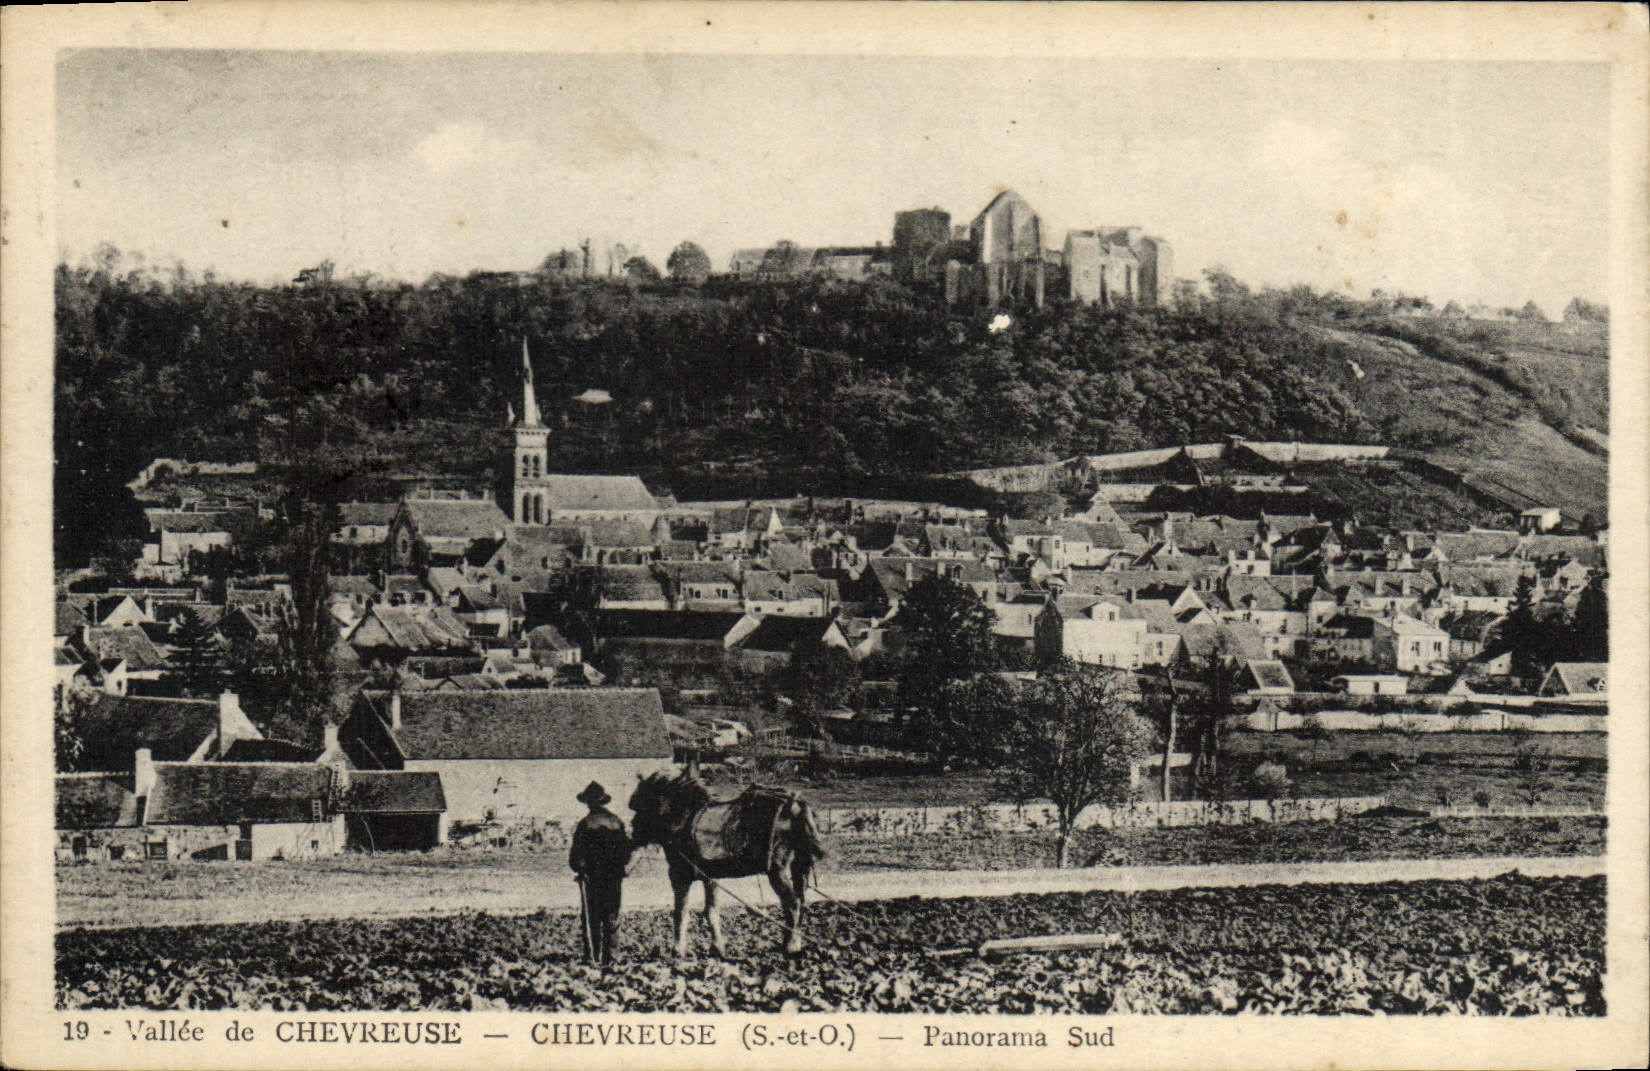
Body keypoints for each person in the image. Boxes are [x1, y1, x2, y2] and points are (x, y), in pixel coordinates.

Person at [569, 780, 631, 965]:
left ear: (589, 803)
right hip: (613, 876)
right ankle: (612, 957)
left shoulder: (585, 823)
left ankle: (593, 956)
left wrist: (579, 868)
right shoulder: (617, 822)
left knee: (592, 917)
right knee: (612, 916)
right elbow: (626, 852)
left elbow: (577, 854)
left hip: (593, 877)